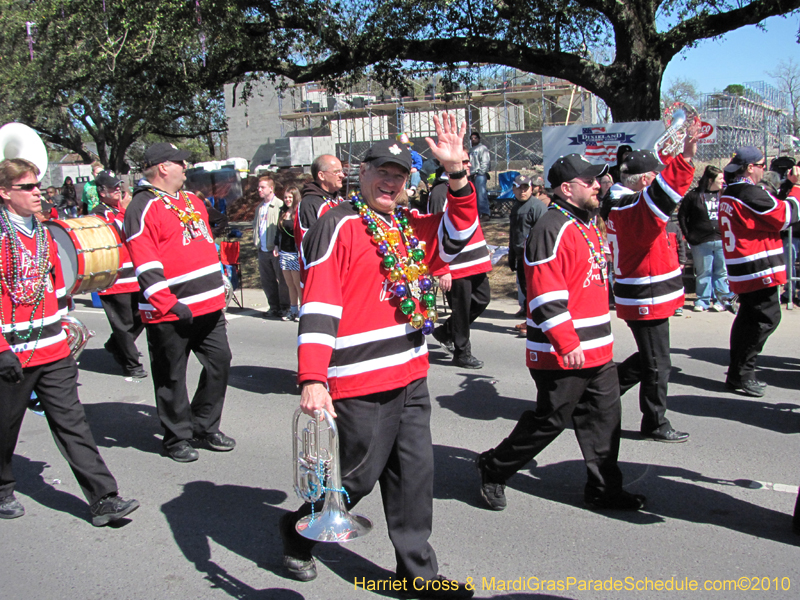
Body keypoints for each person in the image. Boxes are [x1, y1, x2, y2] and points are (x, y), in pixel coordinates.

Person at [281, 115, 477, 599]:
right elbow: (320, 303)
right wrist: (312, 378)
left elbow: (458, 234)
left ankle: (419, 576)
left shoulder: (407, 224)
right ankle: (300, 530)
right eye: (381, 172)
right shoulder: (337, 224)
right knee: (357, 476)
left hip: (411, 373)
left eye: (400, 175)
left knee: (415, 477)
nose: (390, 181)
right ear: (360, 172)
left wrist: (456, 175)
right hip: (360, 380)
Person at [476, 153, 645, 514]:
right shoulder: (551, 227)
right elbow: (545, 294)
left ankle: (603, 489)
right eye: (590, 181)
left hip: (597, 349)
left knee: (604, 420)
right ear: (567, 189)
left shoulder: (585, 221)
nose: (599, 185)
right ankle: (494, 467)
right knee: (549, 421)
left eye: (598, 179)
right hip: (561, 351)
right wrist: (566, 342)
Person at [0, 158, 139, 525]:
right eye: (26, 188)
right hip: (13, 352)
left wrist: (66, 325)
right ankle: (2, 487)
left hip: (53, 349)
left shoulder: (44, 233)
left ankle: (103, 498)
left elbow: (58, 287)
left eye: (37, 186)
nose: (37, 193)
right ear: (4, 193)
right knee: (5, 424)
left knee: (72, 421)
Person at [124, 142, 235, 463]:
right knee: (171, 376)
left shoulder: (191, 201)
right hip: (170, 310)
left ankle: (204, 424)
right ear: (163, 167)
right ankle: (176, 437)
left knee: (220, 362)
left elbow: (204, 245)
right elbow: (144, 260)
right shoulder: (141, 207)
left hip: (209, 306)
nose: (186, 167)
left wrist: (220, 281)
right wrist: (167, 302)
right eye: (180, 162)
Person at [607, 144, 696, 444]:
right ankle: (654, 421)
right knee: (658, 362)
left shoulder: (622, 199)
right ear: (645, 180)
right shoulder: (627, 205)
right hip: (643, 293)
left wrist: (677, 157)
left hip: (646, 290)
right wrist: (683, 159)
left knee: (652, 359)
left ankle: (598, 394)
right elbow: (658, 198)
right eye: (655, 175)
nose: (659, 178)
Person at [719, 147, 800, 397]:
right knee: (766, 319)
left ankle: (738, 374)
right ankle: (743, 373)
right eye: (762, 165)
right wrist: (797, 187)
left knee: (747, 320)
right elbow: (787, 215)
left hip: (745, 265)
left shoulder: (733, 191)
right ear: (750, 167)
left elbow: (770, 207)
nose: (765, 169)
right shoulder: (746, 192)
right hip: (755, 266)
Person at [428, 154, 492, 369]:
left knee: (482, 300)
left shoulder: (466, 186)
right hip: (455, 265)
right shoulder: (440, 191)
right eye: (464, 161)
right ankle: (462, 352)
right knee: (461, 311)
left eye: (467, 161)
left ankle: (446, 331)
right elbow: (434, 231)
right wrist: (442, 267)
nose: (469, 164)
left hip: (475, 260)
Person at [91, 171, 146, 379]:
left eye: (119, 186)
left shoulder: (121, 211)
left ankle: (116, 345)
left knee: (142, 316)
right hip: (115, 277)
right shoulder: (97, 214)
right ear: (101, 192)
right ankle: (131, 363)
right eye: (113, 187)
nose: (118, 190)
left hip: (134, 274)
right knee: (122, 323)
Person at [678, 165, 734, 312]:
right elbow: (682, 215)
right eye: (720, 179)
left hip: (722, 240)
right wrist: (689, 235)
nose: (723, 181)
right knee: (703, 272)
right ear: (710, 179)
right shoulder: (694, 195)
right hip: (701, 241)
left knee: (721, 271)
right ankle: (702, 301)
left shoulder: (725, 194)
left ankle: (721, 300)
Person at [508, 174, 548, 335]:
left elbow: (544, 235)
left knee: (535, 291)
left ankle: (536, 323)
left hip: (534, 257)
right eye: (519, 188)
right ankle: (532, 321)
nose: (522, 191)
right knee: (526, 290)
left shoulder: (537, 207)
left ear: (532, 188)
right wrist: (511, 255)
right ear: (513, 189)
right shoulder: (516, 207)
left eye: (525, 188)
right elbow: (513, 234)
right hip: (520, 256)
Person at [253, 175, 290, 319]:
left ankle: (285, 307)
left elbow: (281, 228)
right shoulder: (259, 208)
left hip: (275, 249)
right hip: (262, 250)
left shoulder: (279, 205)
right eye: (258, 187)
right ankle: (273, 307)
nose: (259, 190)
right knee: (267, 280)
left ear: (271, 188)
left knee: (282, 281)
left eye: (262, 187)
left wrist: (277, 245)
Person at [295, 154, 346, 254]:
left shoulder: (339, 199)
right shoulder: (310, 203)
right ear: (321, 175)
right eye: (336, 172)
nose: (342, 175)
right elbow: (311, 244)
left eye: (341, 171)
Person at [275, 186, 302, 321]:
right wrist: (276, 246)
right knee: (289, 284)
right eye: (285, 197)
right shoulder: (282, 212)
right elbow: (278, 231)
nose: (287, 200)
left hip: (295, 253)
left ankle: (303, 312)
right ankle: (293, 311)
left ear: (295, 197)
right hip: (284, 252)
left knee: (298, 284)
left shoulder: (298, 213)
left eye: (290, 197)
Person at [468, 132, 491, 219]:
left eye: (475, 138)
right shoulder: (471, 150)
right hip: (472, 174)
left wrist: (481, 172)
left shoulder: (482, 148)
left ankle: (485, 213)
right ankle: (476, 214)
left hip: (479, 174)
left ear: (479, 139)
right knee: (474, 195)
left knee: (481, 194)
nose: (473, 139)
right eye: (472, 138)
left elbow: (485, 161)